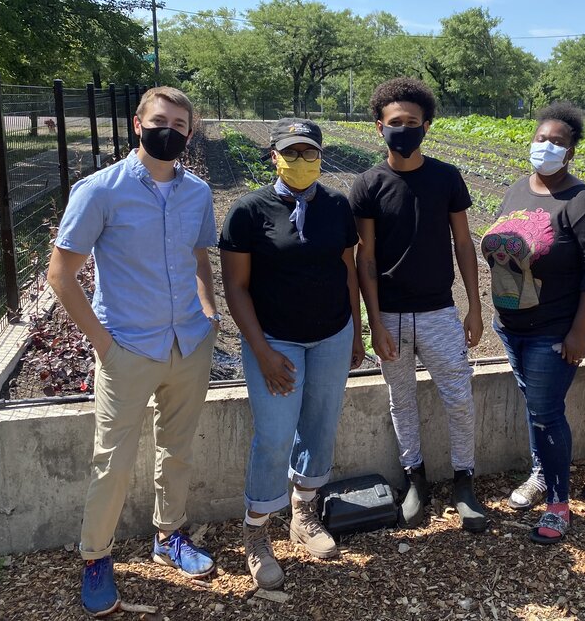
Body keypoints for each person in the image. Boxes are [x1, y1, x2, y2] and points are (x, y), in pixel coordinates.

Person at [47, 87, 219, 617]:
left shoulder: (197, 193)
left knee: (179, 450)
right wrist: (105, 346)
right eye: (160, 120)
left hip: (187, 343)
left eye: (181, 124)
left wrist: (209, 313)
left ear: (189, 134)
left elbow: (198, 254)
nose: (171, 129)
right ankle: (96, 557)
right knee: (113, 464)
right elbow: (62, 275)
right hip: (128, 349)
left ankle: (169, 537)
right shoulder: (101, 190)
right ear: (138, 125)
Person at [220, 119, 364, 589]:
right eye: (291, 152)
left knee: (320, 425)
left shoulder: (337, 207)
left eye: (310, 153)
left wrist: (355, 331)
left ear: (321, 157)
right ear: (274, 156)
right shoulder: (248, 212)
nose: (301, 161)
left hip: (331, 335)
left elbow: (348, 270)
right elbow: (236, 289)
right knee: (275, 437)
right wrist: (260, 351)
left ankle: (303, 514)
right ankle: (257, 533)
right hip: (275, 341)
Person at [349, 77, 488, 533]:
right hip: (390, 314)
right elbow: (364, 257)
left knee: (459, 398)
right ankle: (415, 479)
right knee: (401, 399)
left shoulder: (446, 177)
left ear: (426, 126)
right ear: (379, 127)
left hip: (438, 312)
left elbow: (464, 244)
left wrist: (473, 307)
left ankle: (464, 481)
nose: (403, 129)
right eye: (395, 122)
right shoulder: (368, 184)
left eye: (412, 122)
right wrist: (374, 322)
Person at [482, 101, 585, 544]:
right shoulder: (518, 188)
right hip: (511, 326)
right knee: (536, 408)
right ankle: (541, 474)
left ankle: (558, 504)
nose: (547, 147)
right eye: (542, 139)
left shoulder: (583, 202)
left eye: (558, 142)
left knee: (545, 414)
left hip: (553, 331)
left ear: (571, 152)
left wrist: (579, 332)